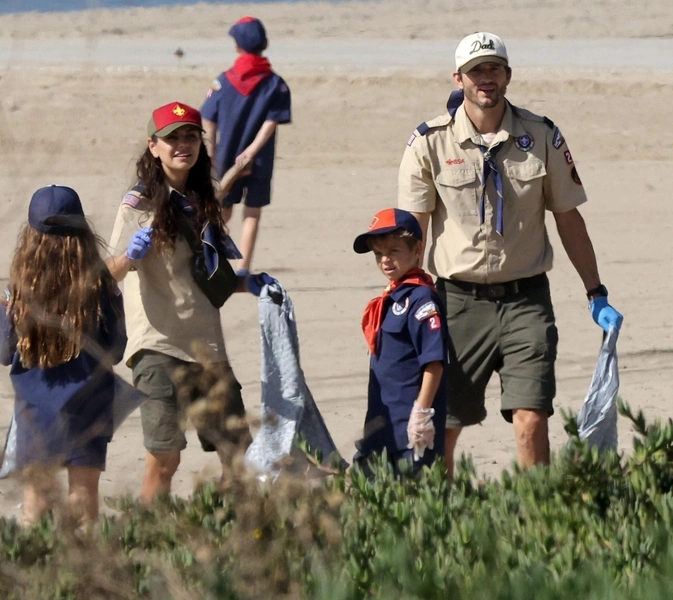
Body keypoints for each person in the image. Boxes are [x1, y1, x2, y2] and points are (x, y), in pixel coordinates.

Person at [397, 32, 623, 478]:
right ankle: (438, 517)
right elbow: (412, 232)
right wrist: (404, 297)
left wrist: (596, 293)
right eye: (476, 70)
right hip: (456, 303)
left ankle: (536, 516)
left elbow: (569, 219)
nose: (486, 78)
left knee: (531, 418)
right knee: (445, 424)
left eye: (494, 69)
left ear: (508, 75)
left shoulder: (541, 135)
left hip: (527, 302)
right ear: (458, 77)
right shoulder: (428, 143)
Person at [105, 101, 275, 503]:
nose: (183, 144)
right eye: (172, 138)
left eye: (190, 136)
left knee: (237, 451)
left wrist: (250, 283)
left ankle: (235, 533)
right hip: (158, 346)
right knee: (164, 458)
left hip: (207, 348)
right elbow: (108, 273)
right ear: (153, 145)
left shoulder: (203, 200)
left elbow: (207, 274)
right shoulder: (140, 202)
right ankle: (147, 537)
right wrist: (130, 255)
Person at [0, 185, 126, 524]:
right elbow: (115, 350)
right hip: (88, 404)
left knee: (35, 502)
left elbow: (4, 351)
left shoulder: (18, 292)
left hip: (36, 410)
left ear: (30, 235)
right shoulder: (100, 289)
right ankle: (86, 573)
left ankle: (36, 571)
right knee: (84, 500)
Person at [352, 208, 448, 476]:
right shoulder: (392, 298)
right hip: (381, 426)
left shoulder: (421, 299)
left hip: (410, 429)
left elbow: (434, 361)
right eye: (378, 254)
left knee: (413, 500)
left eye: (394, 251)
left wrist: (422, 413)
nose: (385, 260)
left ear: (417, 249)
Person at [200, 16, 292, 274]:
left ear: (237, 47)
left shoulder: (223, 82)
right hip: (259, 159)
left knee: (221, 212)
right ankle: (243, 268)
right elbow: (271, 123)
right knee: (252, 213)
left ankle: (210, 260)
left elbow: (208, 121)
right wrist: (252, 150)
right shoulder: (276, 84)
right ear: (266, 44)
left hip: (226, 157)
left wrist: (211, 155)